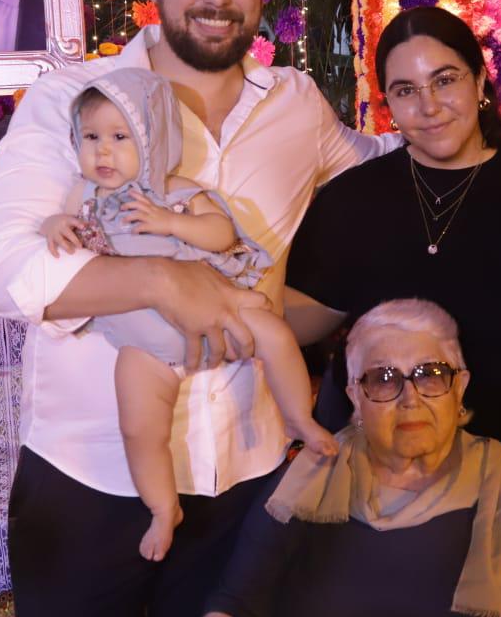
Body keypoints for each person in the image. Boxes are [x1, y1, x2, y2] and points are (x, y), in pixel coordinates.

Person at [0, 0, 501, 617]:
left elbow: (393, 161)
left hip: (244, 483)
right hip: (91, 476)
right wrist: (161, 279)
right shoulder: (76, 103)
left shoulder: (294, 105)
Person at [194, 299, 501, 617]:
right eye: (383, 379)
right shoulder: (313, 472)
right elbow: (236, 607)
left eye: (430, 375)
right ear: (354, 399)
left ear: (461, 387)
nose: (409, 398)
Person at [40, 71, 335, 561]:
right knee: (138, 426)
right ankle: (162, 507)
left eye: (119, 138)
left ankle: (299, 419)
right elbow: (59, 225)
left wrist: (170, 222)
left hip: (217, 306)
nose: (103, 152)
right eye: (91, 137)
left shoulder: (173, 189)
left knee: (275, 334)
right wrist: (55, 224)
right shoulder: (84, 197)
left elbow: (221, 233)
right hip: (145, 342)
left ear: (153, 140)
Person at [287, 6, 501, 462]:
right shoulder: (355, 197)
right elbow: (299, 314)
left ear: (479, 79)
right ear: (389, 103)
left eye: (445, 79)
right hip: (388, 474)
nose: (428, 106)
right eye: (406, 90)